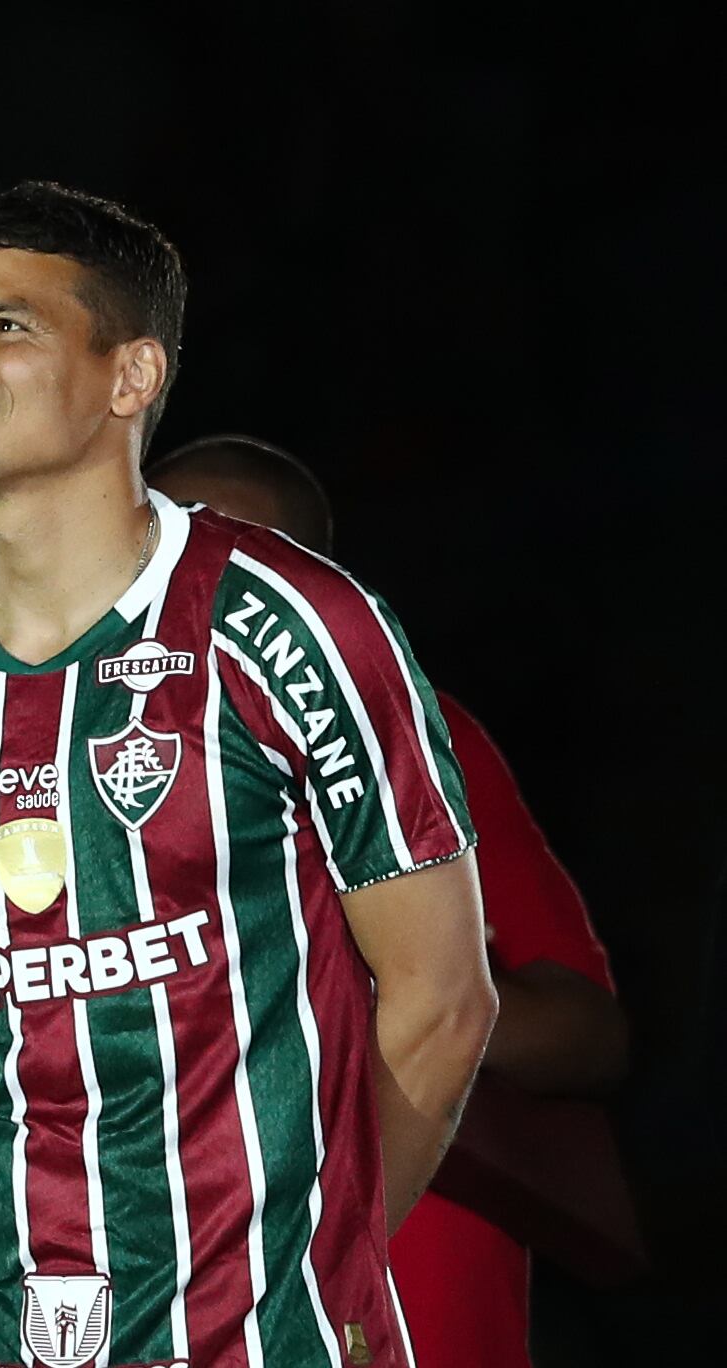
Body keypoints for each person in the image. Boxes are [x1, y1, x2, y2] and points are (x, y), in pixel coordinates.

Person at [0, 180, 497, 1368]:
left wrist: (321, 1267)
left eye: (3, 325)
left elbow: (441, 998)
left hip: (253, 1335)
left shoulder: (288, 628)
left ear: (130, 376)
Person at [146, 433, 629, 1368]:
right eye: (164, 545)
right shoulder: (22, 751)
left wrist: (385, 989)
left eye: (250, 562)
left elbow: (588, 1036)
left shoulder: (407, 733)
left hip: (409, 1279)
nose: (202, 589)